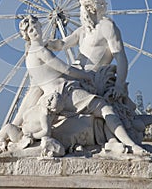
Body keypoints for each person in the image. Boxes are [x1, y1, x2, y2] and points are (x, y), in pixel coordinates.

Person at [12, 14, 147, 155]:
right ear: (27, 35)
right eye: (31, 30)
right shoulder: (41, 51)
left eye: (36, 27)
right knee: (105, 108)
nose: (35, 30)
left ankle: (112, 141)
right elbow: (66, 69)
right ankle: (130, 144)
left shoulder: (30, 54)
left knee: (99, 114)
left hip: (51, 97)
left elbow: (61, 46)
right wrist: (87, 75)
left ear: (40, 26)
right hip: (66, 91)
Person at [0, 91, 66, 156]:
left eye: (50, 102)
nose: (48, 101)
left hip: (22, 137)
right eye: (51, 98)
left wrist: (33, 135)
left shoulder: (44, 114)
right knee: (9, 127)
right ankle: (0, 140)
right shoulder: (41, 109)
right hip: (22, 132)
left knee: (8, 127)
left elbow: (46, 131)